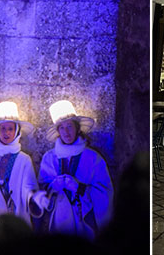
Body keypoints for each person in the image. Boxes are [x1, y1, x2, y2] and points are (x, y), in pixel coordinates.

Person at [38, 100, 113, 240]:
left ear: (78, 129)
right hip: (59, 218)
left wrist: (81, 188)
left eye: (69, 127)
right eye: (62, 128)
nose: (66, 132)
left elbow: (105, 192)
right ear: (58, 131)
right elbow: (40, 191)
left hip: (84, 218)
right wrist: (51, 188)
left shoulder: (92, 157)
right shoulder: (49, 158)